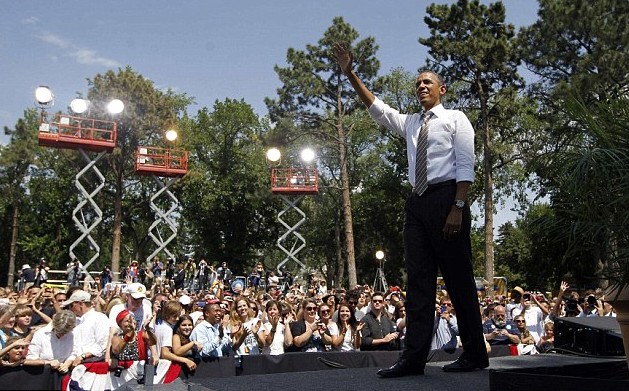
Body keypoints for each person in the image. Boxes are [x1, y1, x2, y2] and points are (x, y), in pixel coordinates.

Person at [335, 44, 488, 376]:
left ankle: (475, 353)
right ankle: (413, 359)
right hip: (417, 203)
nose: (421, 86)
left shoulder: (455, 119)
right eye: (417, 83)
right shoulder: (410, 123)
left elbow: (465, 165)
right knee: (418, 283)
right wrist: (350, 74)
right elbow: (376, 107)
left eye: (427, 82)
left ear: (441, 89)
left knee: (459, 281)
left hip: (448, 199)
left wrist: (458, 207)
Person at [63, 290, 109, 366]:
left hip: (94, 365)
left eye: (71, 305)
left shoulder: (100, 318)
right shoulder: (75, 321)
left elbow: (103, 345)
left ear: (80, 304)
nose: (70, 308)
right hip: (75, 364)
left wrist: (82, 357)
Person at [24, 310, 77, 374]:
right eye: (59, 331)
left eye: (65, 332)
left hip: (63, 374)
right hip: (43, 373)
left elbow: (73, 352)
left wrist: (66, 364)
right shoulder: (41, 334)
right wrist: (48, 363)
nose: (62, 335)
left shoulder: (71, 334)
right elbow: (31, 358)